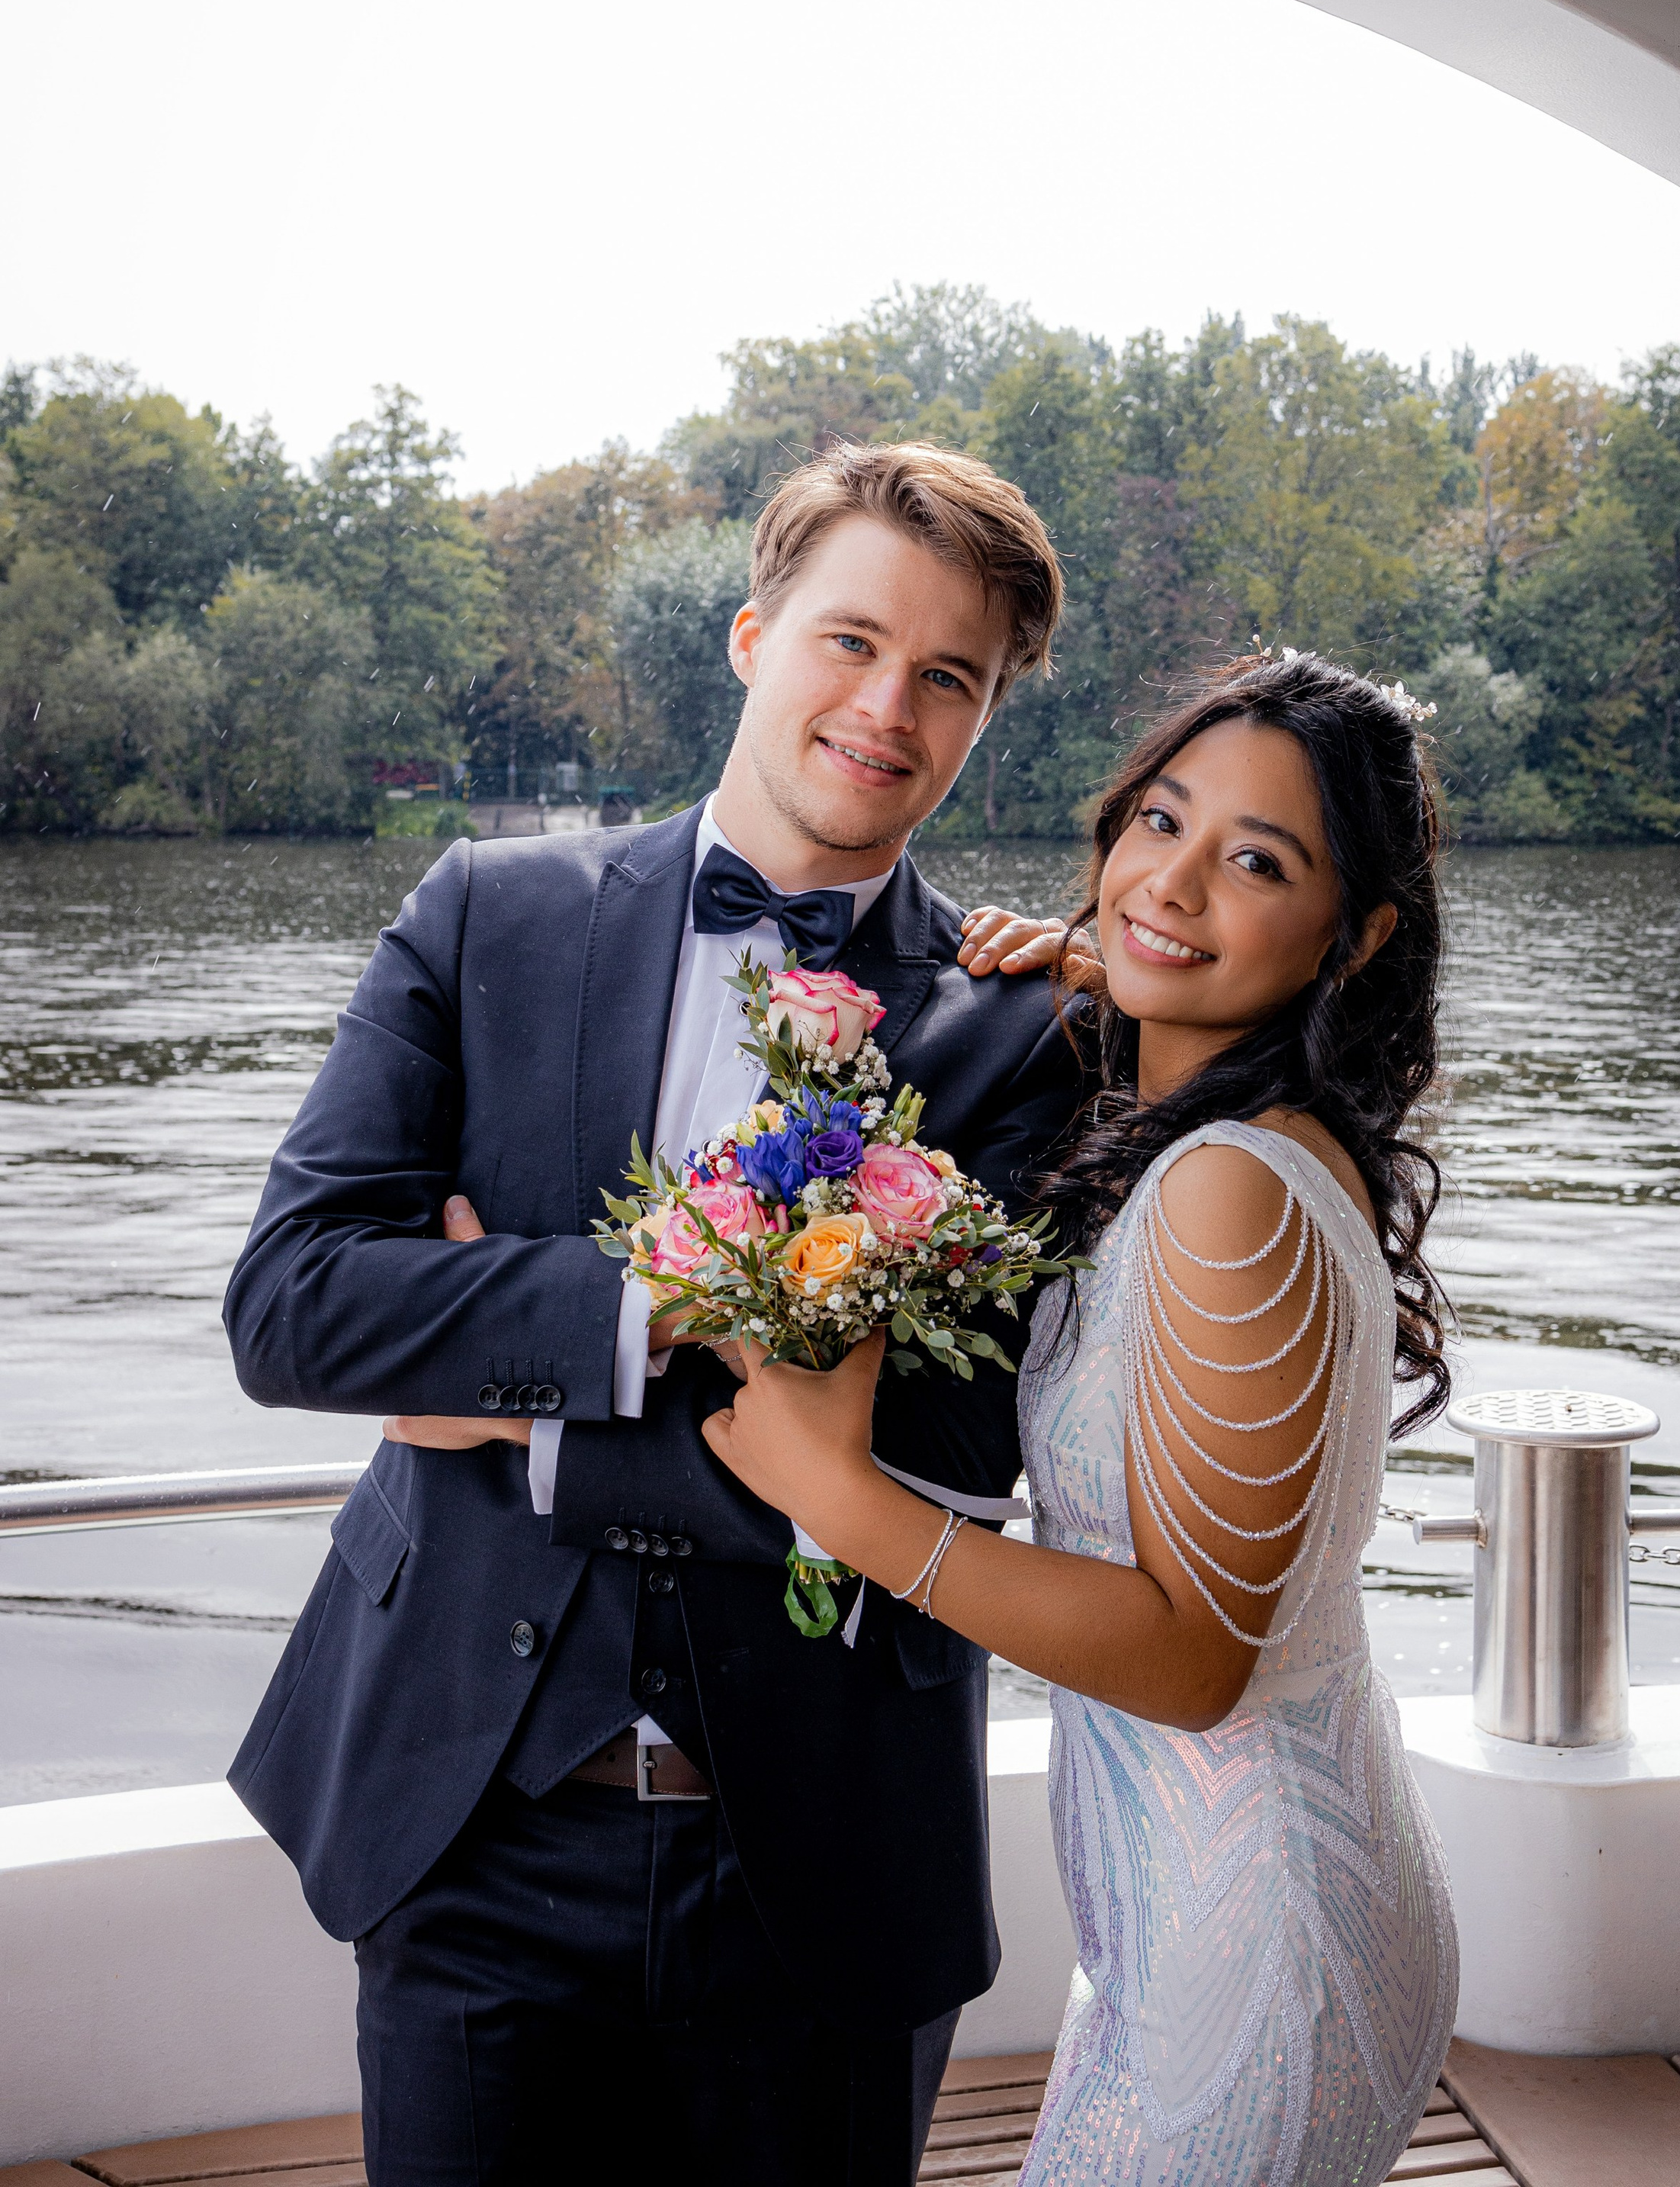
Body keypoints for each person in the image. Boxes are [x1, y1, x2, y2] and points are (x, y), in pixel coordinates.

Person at [222, 441, 1078, 2187]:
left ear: (986, 717)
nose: (886, 707)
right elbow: (295, 1308)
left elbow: (947, 1448)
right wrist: (656, 1315)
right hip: (466, 1825)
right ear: (754, 634)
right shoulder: (484, 913)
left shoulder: (1023, 1028)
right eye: (849, 641)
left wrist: (502, 1380)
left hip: (829, 1856)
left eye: (947, 679)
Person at [706, 648, 1461, 2187]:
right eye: (1157, 825)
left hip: (1252, 1941)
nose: (1169, 884)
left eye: (1254, 861)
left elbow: (1192, 1660)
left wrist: (842, 1502)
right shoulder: (1231, 1137)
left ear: (1353, 933)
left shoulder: (1230, 1190)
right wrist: (1091, 977)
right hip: (1213, 1901)